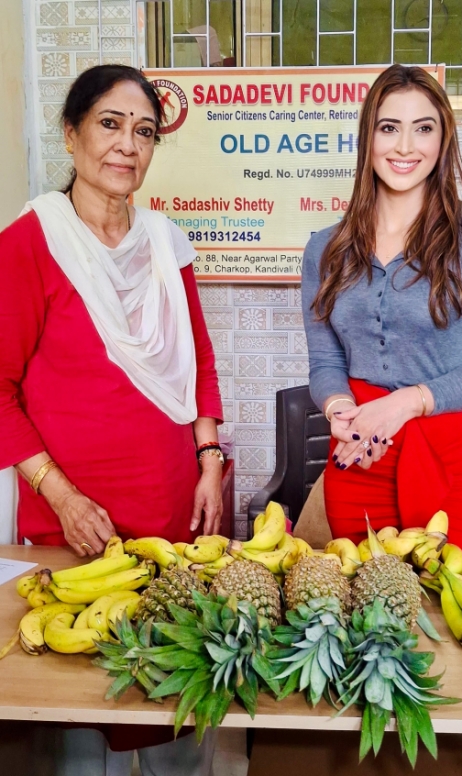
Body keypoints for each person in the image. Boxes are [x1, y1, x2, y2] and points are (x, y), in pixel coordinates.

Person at [0, 64, 222, 774]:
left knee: (174, 716)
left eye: (145, 131)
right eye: (109, 123)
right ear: (70, 135)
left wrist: (210, 460)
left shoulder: (166, 243)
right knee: (80, 729)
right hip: (72, 526)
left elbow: (199, 362)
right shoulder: (29, 243)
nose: (128, 144)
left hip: (171, 517)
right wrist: (62, 498)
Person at [301, 64, 462, 563]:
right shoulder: (324, 249)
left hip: (454, 460)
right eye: (389, 127)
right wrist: (339, 410)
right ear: (368, 137)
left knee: (455, 600)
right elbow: (325, 363)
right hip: (362, 455)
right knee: (367, 605)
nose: (405, 147)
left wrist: (404, 403)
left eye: (423, 128)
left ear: (442, 140)